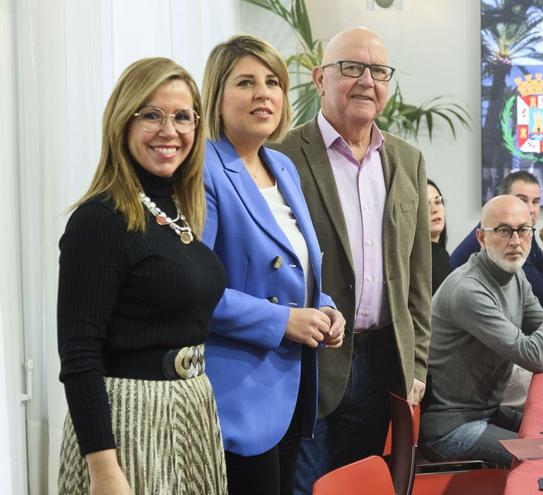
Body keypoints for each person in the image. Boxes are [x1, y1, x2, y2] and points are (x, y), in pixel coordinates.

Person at [57, 57, 227, 494]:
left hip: (191, 412)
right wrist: (104, 469)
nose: (169, 130)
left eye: (183, 116)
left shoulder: (177, 212)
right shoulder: (100, 219)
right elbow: (79, 356)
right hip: (129, 423)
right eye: (151, 114)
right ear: (122, 121)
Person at [273, 28, 431, 492]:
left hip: (383, 358)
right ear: (321, 78)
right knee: (305, 485)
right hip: (309, 361)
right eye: (351, 68)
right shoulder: (283, 157)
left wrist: (417, 363)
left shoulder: (407, 160)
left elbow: (417, 278)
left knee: (362, 484)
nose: (367, 80)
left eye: (379, 71)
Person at [200, 35, 345, 495]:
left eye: (273, 82)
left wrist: (325, 309)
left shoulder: (281, 166)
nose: (264, 93)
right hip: (237, 397)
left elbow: (294, 272)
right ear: (216, 96)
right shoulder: (201, 168)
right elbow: (192, 290)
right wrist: (284, 320)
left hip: (291, 387)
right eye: (246, 82)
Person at [421, 195, 543, 466]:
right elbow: (536, 357)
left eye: (523, 230)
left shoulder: (515, 275)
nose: (516, 240)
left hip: (488, 413)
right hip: (451, 428)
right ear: (481, 237)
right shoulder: (468, 290)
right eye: (504, 230)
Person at [449, 171, 543, 310]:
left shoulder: (519, 230)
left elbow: (541, 276)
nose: (530, 209)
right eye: (522, 200)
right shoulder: (498, 236)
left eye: (536, 202)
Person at [427, 179, 451, 293]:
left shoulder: (441, 254)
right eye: (424, 205)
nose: (434, 209)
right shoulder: (421, 262)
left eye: (437, 202)